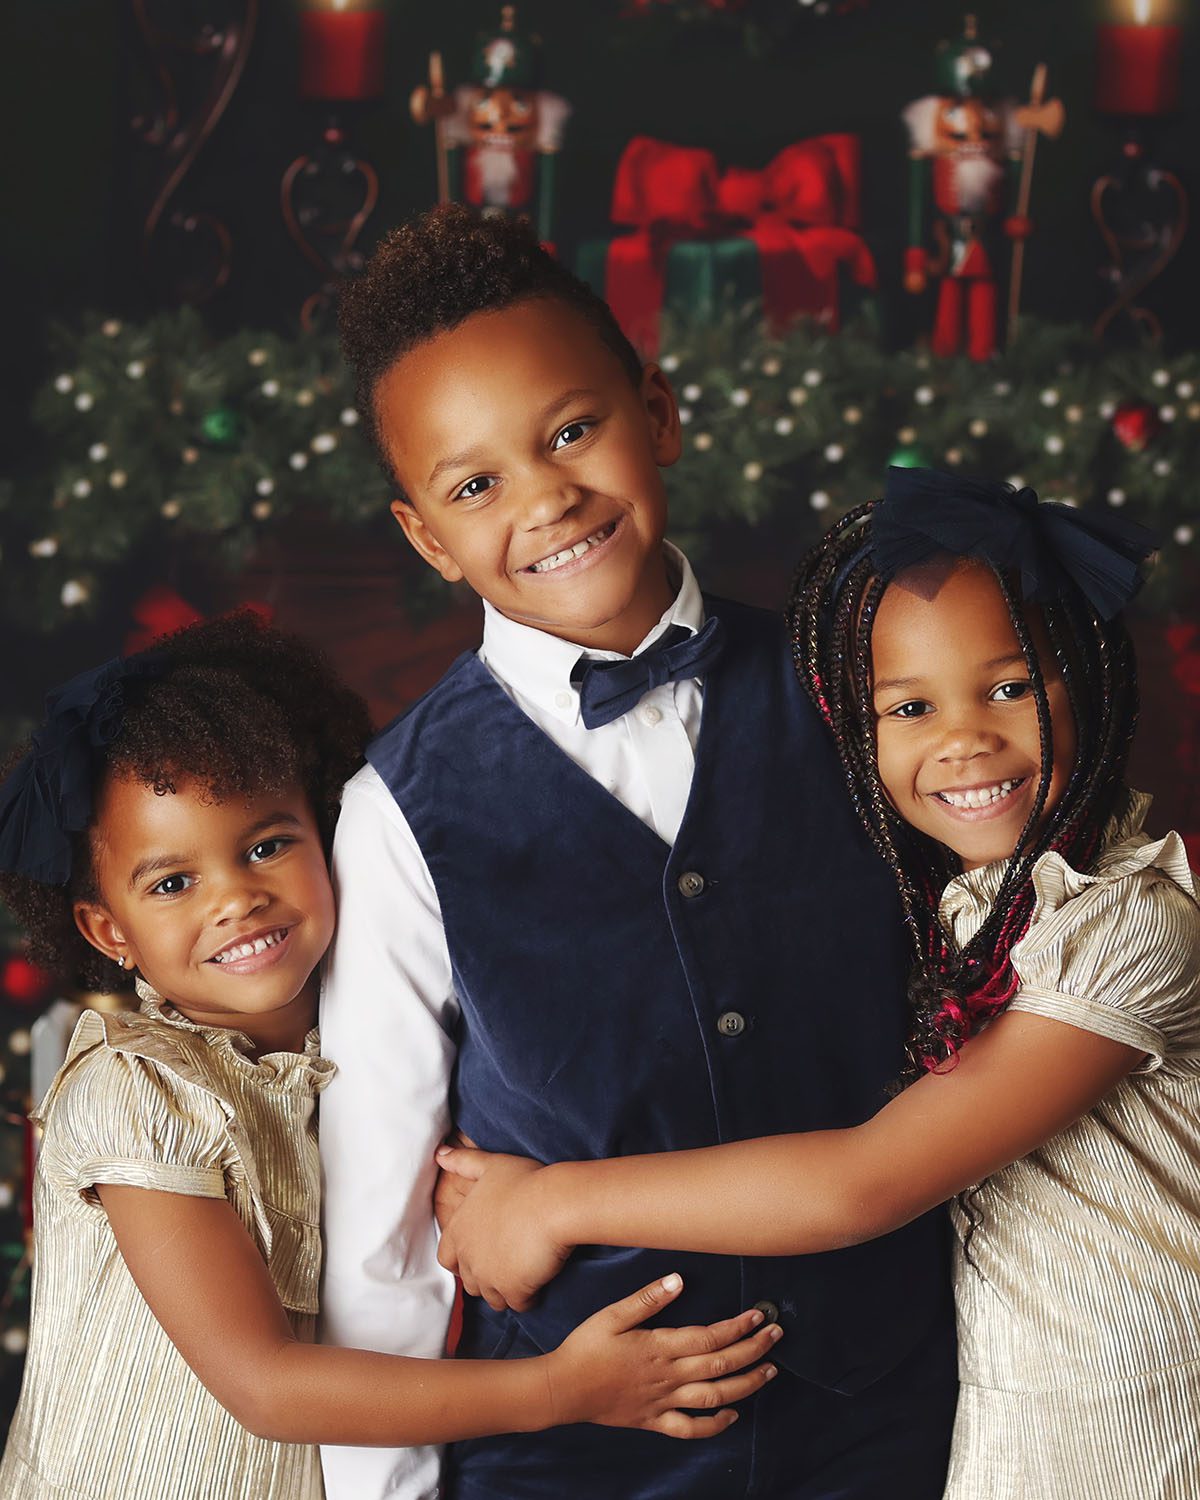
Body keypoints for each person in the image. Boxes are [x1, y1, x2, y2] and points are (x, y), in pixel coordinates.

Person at [321, 203, 957, 1500]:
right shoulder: (398, 811)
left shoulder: (862, 690)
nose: (547, 496)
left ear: (657, 417)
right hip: (572, 1458)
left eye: (571, 431)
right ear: (428, 538)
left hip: (893, 1427)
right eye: (476, 483)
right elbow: (381, 1238)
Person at [435, 468, 1200, 1500]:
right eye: (910, 706)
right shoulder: (958, 906)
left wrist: (554, 1202)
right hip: (1010, 1420)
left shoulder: (1134, 921)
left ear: (1091, 682)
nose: (963, 738)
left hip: (1137, 1423)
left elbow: (864, 1182)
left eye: (1012, 686)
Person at [0, 613, 779, 1500]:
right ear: (109, 931)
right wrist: (560, 1389)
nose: (237, 899)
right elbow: (264, 1384)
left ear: (325, 829)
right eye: (174, 883)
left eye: (266, 845)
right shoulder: (136, 1089)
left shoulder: (362, 1036)